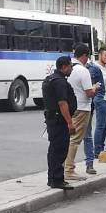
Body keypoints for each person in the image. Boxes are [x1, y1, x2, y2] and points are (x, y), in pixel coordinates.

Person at [42, 56, 77, 190]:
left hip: (53, 119)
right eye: (70, 66)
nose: (72, 69)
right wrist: (70, 122)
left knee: (54, 150)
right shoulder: (60, 82)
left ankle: (53, 178)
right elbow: (62, 103)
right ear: (64, 67)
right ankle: (56, 179)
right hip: (59, 121)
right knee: (60, 150)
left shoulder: (50, 79)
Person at [64, 44, 96, 181]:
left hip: (70, 107)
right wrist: (95, 87)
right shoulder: (83, 71)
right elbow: (89, 93)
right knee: (75, 140)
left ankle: (64, 167)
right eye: (87, 57)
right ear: (84, 56)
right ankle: (69, 169)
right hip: (82, 107)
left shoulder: (67, 69)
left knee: (68, 138)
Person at [92, 47, 106, 159]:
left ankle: (102, 147)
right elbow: (97, 83)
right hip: (101, 98)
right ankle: (97, 150)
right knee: (100, 125)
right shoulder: (95, 67)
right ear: (100, 55)